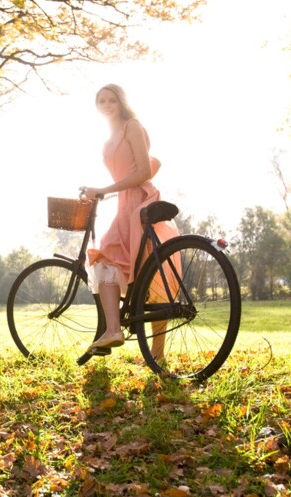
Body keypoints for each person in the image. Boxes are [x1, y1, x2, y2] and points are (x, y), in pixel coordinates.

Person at [81, 84, 179, 362]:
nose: (107, 104)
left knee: (118, 263)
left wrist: (104, 188)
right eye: (101, 100)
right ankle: (133, 341)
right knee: (129, 269)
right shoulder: (107, 139)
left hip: (140, 203)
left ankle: (120, 333)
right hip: (126, 203)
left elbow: (145, 171)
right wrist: (102, 191)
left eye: (112, 99)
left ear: (121, 102)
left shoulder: (131, 126)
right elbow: (134, 171)